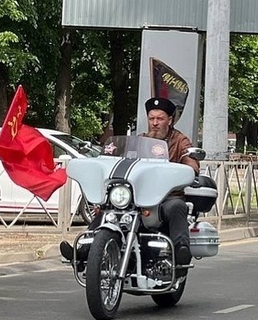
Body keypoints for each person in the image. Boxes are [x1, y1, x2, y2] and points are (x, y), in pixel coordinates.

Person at [61, 97, 199, 269]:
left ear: (169, 120)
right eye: (151, 118)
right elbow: (121, 162)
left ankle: (181, 251)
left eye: (160, 118)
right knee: (106, 209)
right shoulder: (139, 141)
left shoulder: (180, 141)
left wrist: (188, 168)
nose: (155, 123)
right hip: (136, 197)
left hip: (166, 197)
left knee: (178, 206)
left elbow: (191, 163)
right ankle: (82, 252)